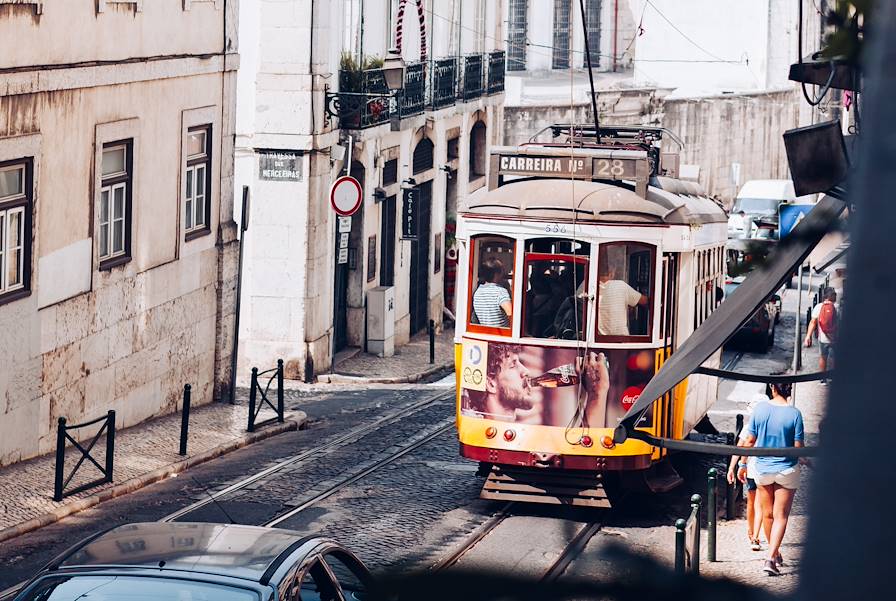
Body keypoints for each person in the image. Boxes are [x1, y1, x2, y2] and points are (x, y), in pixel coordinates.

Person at [735, 382, 806, 576]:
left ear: (772, 388)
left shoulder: (760, 409)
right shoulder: (795, 414)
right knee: (781, 516)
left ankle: (774, 554)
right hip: (787, 470)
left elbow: (749, 441)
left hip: (763, 469)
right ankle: (771, 557)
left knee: (767, 515)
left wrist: (742, 464)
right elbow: (798, 447)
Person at [727, 393, 769, 552]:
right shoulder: (766, 424)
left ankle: (754, 535)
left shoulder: (750, 425)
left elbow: (740, 447)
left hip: (753, 469)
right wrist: (733, 467)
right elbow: (741, 447)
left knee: (755, 503)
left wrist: (735, 466)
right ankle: (753, 534)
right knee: (755, 503)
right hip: (761, 469)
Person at [597, 256, 648, 336]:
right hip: (621, 341)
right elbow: (645, 301)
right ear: (611, 272)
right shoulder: (620, 285)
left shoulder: (587, 285)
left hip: (598, 340)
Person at [804, 288, 837, 379]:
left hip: (823, 338)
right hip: (835, 337)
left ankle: (822, 379)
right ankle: (833, 377)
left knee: (823, 357)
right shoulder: (837, 307)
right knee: (834, 357)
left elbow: (813, 322)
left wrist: (808, 336)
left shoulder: (819, 307)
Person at [472, 258, 512, 328]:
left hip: (486, 333)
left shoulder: (478, 292)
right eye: (502, 271)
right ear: (496, 274)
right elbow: (511, 314)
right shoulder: (500, 292)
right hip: (502, 335)